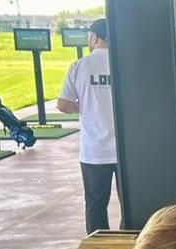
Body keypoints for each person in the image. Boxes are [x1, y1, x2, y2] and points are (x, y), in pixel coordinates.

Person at [57, 18, 117, 235]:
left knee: (95, 206)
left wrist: (82, 106)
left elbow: (63, 104)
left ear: (94, 37)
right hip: (124, 151)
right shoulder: (123, 64)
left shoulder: (80, 66)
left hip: (94, 151)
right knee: (131, 204)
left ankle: (97, 247)